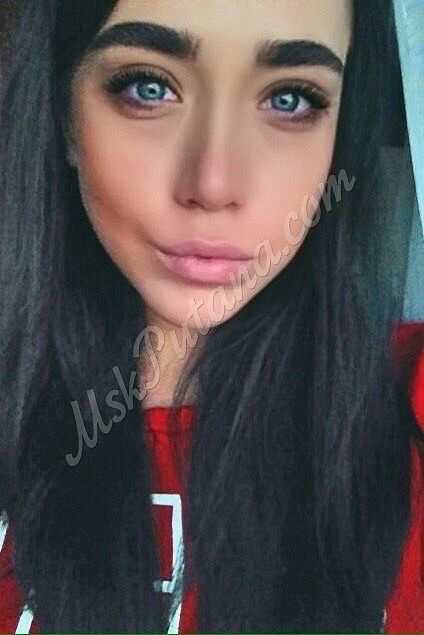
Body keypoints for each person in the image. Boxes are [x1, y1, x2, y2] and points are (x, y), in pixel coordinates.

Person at [0, 0, 423, 633]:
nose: (214, 184)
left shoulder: (407, 406)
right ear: (62, 116)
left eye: (290, 99)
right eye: (149, 87)